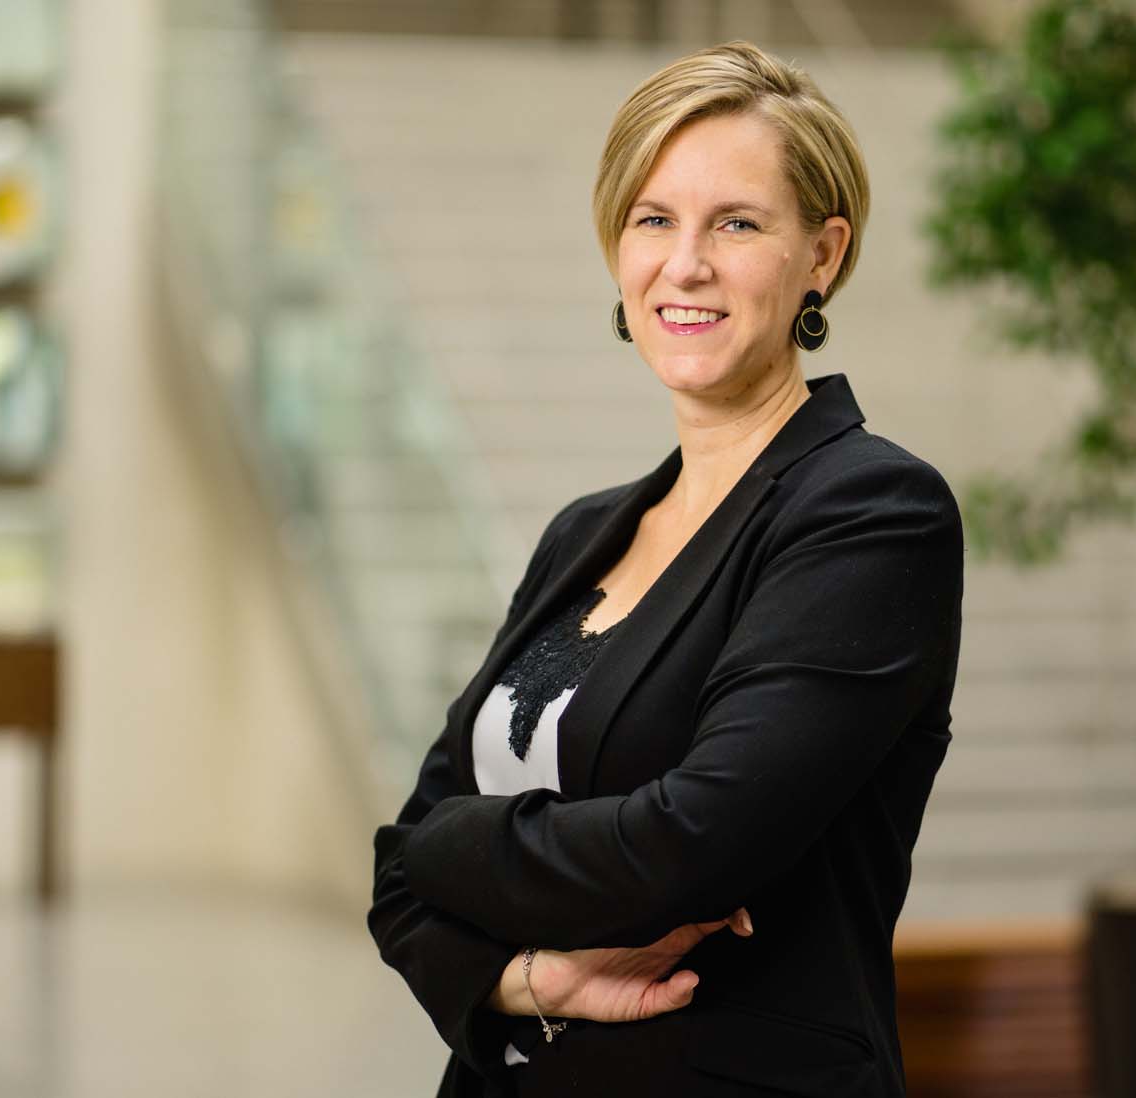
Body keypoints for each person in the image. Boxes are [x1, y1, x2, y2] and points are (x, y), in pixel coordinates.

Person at [368, 40, 963, 1098]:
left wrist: (454, 844)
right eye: (653, 219)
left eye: (736, 223)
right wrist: (534, 982)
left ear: (823, 255)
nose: (684, 264)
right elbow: (398, 883)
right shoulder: (585, 534)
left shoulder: (871, 513)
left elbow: (694, 845)